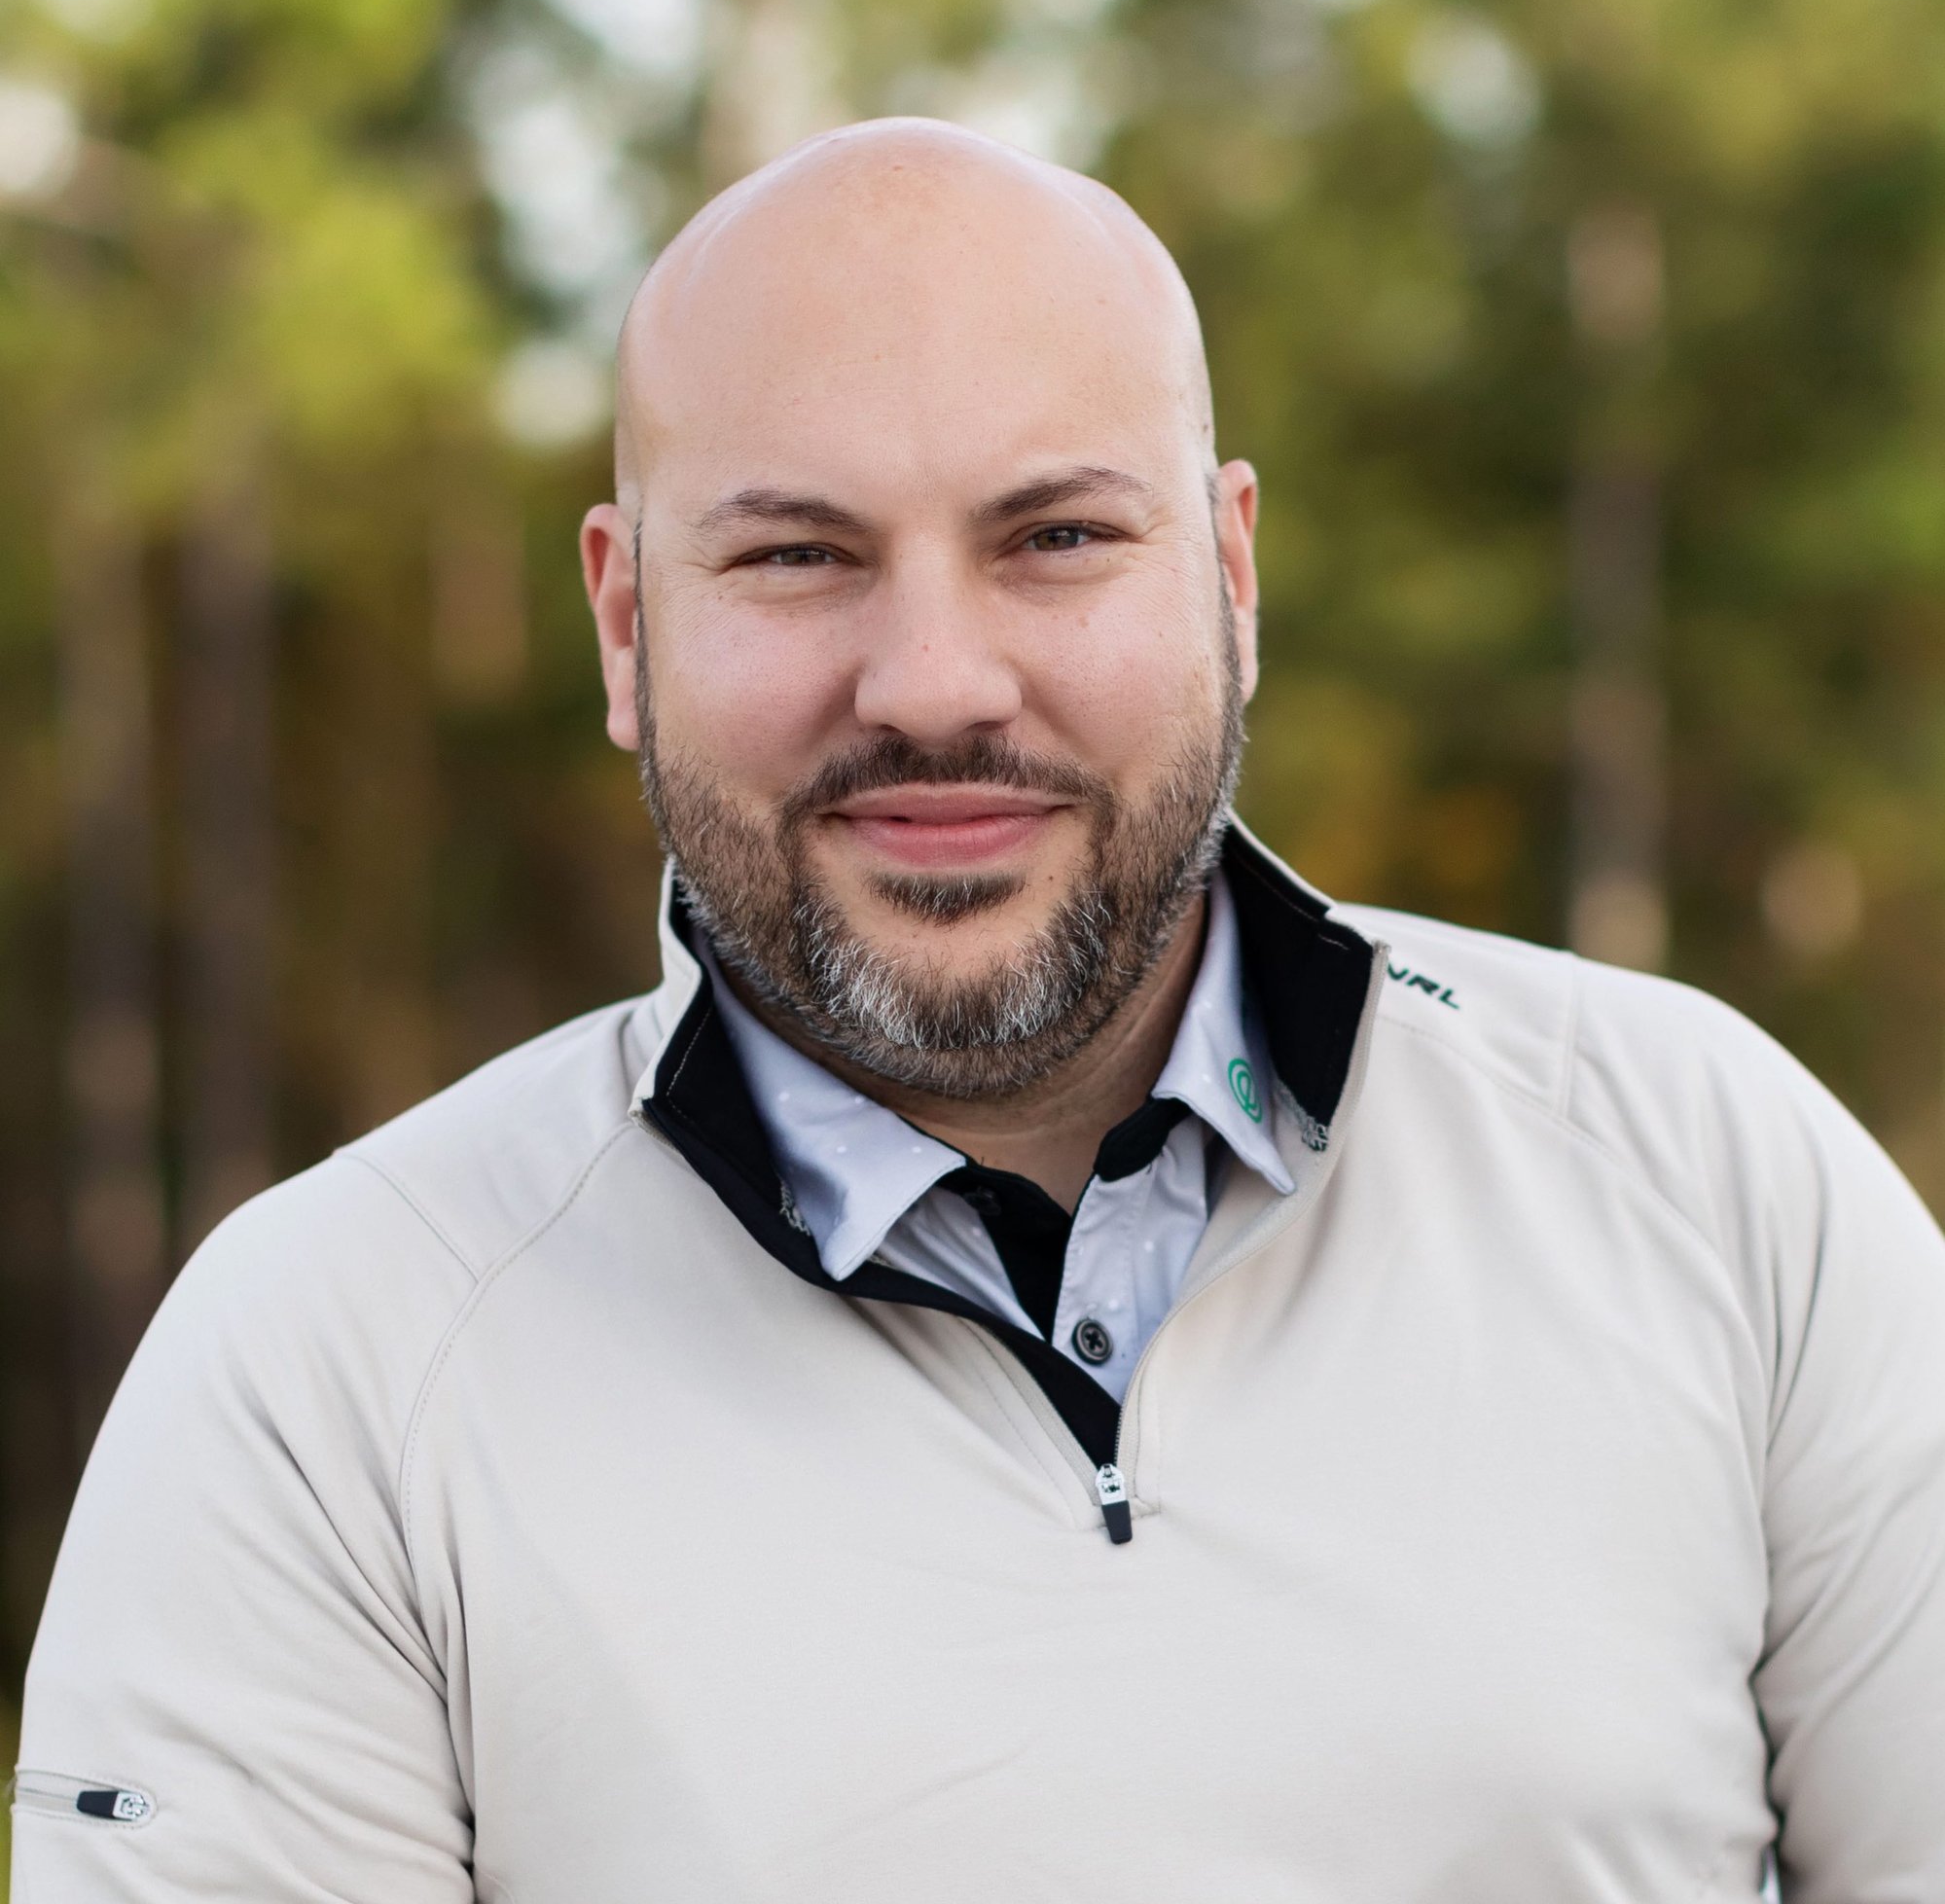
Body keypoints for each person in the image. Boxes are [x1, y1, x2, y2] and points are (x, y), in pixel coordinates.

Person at [14, 119, 1944, 1904]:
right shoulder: (326, 1369)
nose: (935, 681)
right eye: (798, 554)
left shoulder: (1714, 1178)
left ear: (1230, 572)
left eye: (1054, 538)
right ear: (624, 625)